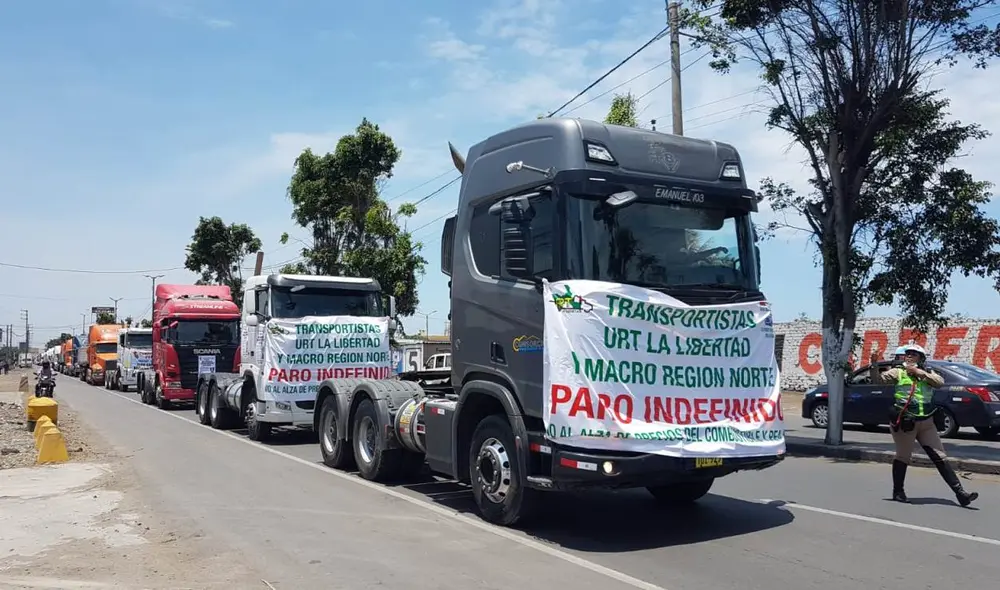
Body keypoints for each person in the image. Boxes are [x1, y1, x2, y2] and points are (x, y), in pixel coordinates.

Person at [869, 345, 978, 506]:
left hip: (926, 421)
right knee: (903, 457)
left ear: (921, 357)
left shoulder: (927, 373)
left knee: (940, 457)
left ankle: (961, 493)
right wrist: (873, 365)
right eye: (907, 354)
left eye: (914, 354)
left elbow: (939, 382)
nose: (909, 357)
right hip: (906, 421)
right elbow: (878, 380)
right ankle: (898, 492)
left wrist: (920, 373)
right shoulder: (898, 372)